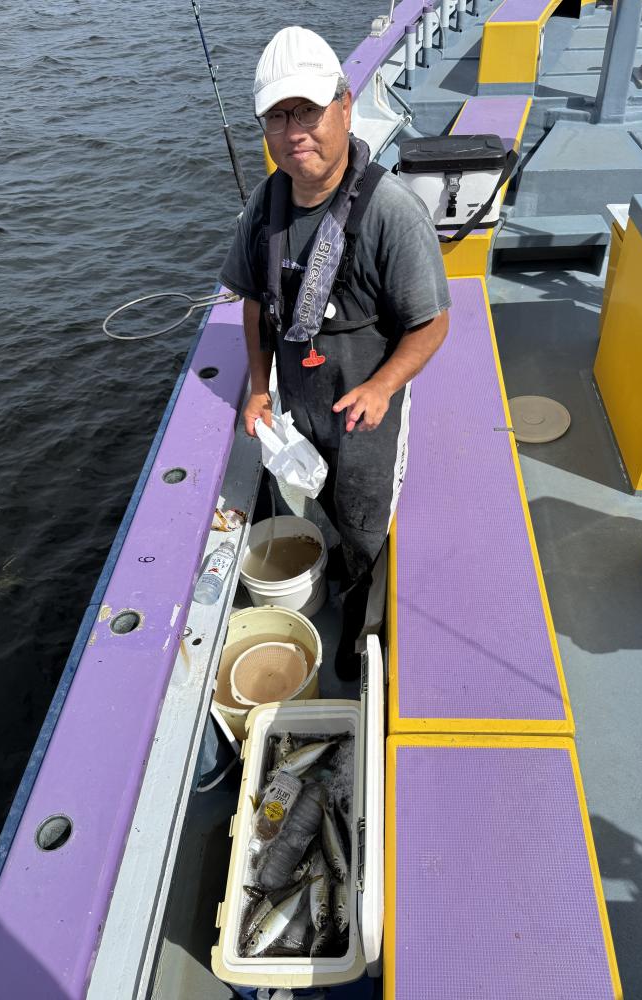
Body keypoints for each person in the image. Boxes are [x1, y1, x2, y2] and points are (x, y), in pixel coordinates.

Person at [219, 25, 450, 678]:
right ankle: (339, 566)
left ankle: (363, 614)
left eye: (309, 111)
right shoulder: (263, 207)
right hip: (301, 401)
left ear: (345, 107)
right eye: (278, 116)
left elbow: (432, 325)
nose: (294, 131)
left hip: (368, 415)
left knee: (366, 519)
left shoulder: (392, 213)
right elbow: (255, 304)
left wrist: (382, 387)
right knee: (315, 498)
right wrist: (259, 389)